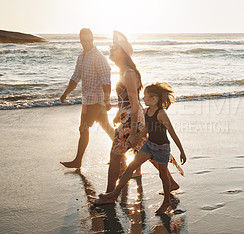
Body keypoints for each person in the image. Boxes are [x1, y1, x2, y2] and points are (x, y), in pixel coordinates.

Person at [103, 31, 180, 196]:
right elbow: (128, 101)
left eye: (113, 47)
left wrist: (132, 132)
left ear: (121, 53)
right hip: (131, 119)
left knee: (116, 155)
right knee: (151, 155)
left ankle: (110, 194)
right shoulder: (124, 72)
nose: (109, 49)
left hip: (132, 121)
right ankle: (171, 184)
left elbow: (135, 103)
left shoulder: (129, 74)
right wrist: (118, 112)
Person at [94, 82, 187, 214]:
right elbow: (147, 128)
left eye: (145, 96)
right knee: (131, 167)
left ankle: (166, 201)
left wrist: (182, 151)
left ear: (154, 99)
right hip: (149, 145)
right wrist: (136, 138)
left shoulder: (161, 114)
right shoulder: (147, 111)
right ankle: (114, 193)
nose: (142, 99)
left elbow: (172, 133)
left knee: (163, 175)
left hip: (161, 148)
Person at [60, 28, 114, 168]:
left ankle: (78, 161)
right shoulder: (81, 56)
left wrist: (107, 100)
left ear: (93, 39)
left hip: (96, 101)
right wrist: (66, 93)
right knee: (106, 127)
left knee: (83, 129)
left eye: (89, 40)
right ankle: (122, 156)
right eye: (83, 41)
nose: (86, 43)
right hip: (88, 100)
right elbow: (76, 77)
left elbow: (106, 80)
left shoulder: (98, 56)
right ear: (80, 40)